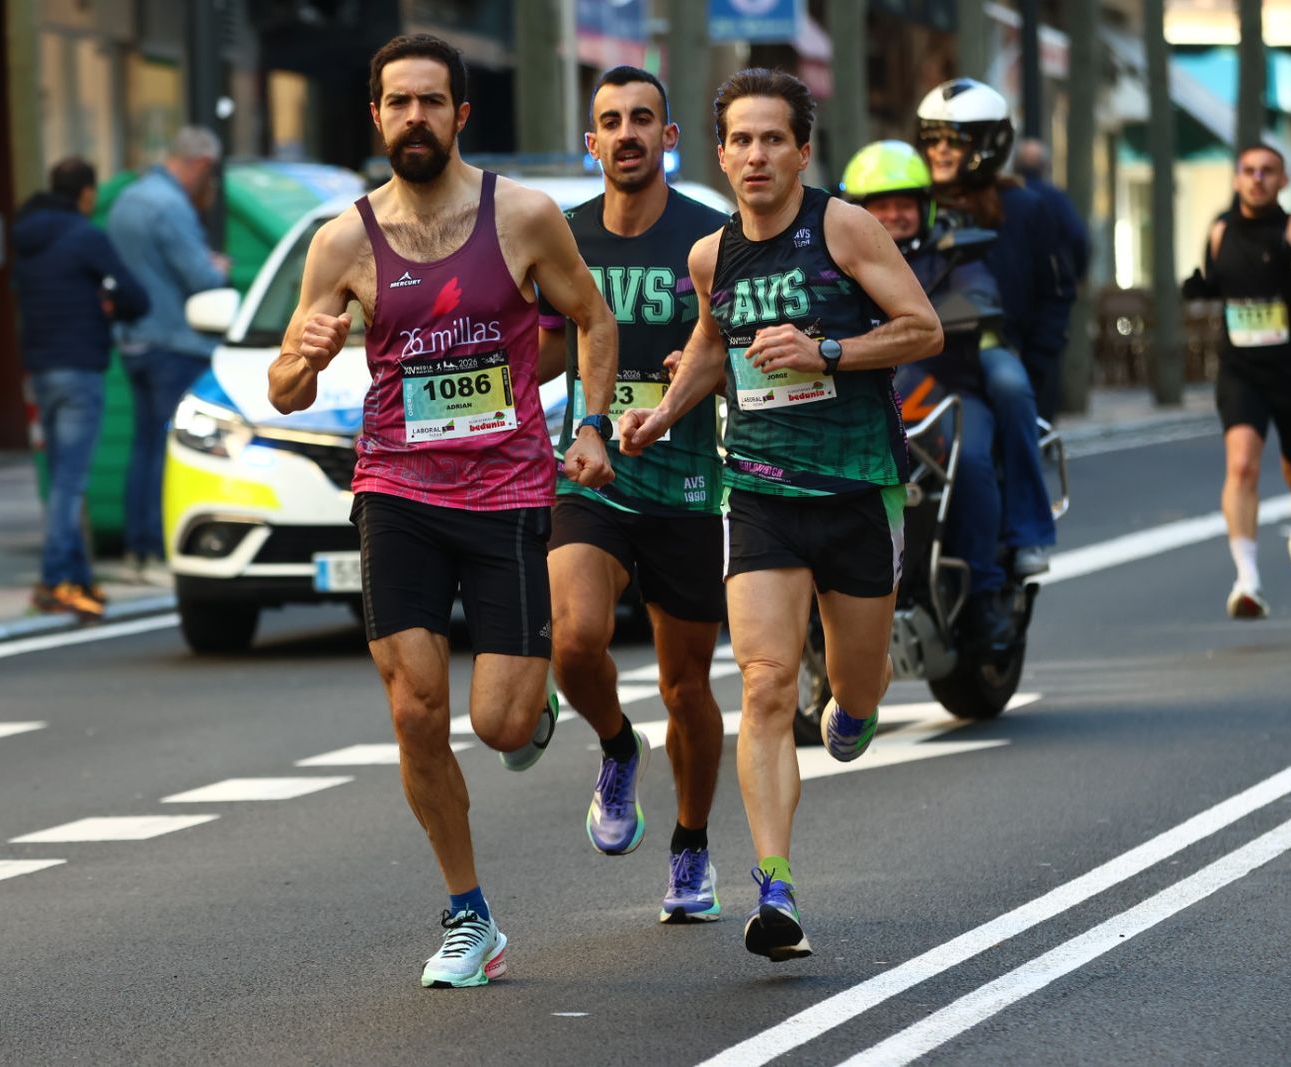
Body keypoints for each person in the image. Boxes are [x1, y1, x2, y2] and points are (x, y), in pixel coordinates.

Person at [266, 34, 617, 988]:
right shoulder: (342, 240)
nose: (413, 117)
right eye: (397, 102)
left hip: (507, 488)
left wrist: (591, 425)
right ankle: (471, 917)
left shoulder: (526, 216)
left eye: (431, 101)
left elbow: (591, 318)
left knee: (499, 725)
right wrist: (304, 351)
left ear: (461, 115)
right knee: (415, 709)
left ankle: (530, 696)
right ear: (374, 117)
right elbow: (288, 387)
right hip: (397, 490)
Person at [619, 69, 942, 962]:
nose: (756, 156)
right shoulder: (710, 256)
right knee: (763, 685)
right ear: (717, 153)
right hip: (758, 489)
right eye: (740, 141)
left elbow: (923, 328)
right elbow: (710, 350)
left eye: (773, 140)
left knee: (857, 687)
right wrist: (661, 413)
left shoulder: (842, 227)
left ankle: (856, 707)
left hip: (856, 490)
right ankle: (776, 887)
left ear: (803, 149)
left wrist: (829, 349)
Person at [535, 66, 729, 923]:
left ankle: (690, 846)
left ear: (669, 136)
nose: (626, 134)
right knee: (574, 641)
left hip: (686, 480)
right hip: (594, 469)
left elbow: (739, 350)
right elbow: (536, 350)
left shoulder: (712, 237)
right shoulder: (563, 238)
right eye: (609, 121)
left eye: (642, 119)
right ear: (591, 143)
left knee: (689, 686)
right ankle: (618, 743)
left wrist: (702, 374)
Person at [842, 140, 1012, 647]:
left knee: (974, 460)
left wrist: (963, 308)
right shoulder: (833, 260)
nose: (894, 216)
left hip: (943, 390)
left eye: (905, 205)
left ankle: (984, 596)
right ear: (859, 212)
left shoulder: (952, 251)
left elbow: (981, 291)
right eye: (881, 206)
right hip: (862, 396)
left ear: (926, 208)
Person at [1181, 144, 1291, 618]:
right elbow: (1225, 282)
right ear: (1237, 179)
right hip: (1242, 368)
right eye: (1249, 171)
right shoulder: (1221, 231)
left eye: (1268, 172)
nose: (1257, 179)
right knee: (1241, 465)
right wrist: (1201, 286)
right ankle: (1247, 580)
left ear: (1283, 181)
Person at [917, 78, 1061, 577]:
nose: (939, 150)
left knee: (1012, 388)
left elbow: (1055, 292)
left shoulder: (1026, 208)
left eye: (953, 139)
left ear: (989, 143)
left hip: (991, 346)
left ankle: (1029, 532)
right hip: (913, 348)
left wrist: (1038, 361)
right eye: (932, 138)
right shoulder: (909, 203)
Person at [14, 158, 151, 621]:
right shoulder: (85, 236)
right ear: (87, 195)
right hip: (79, 370)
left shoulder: (25, 235)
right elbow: (135, 296)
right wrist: (109, 303)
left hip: (38, 370)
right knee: (71, 484)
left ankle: (76, 575)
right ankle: (57, 581)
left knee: (60, 479)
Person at [107, 126, 231, 581]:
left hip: (134, 340)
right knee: (171, 451)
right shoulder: (172, 206)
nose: (210, 182)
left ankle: (136, 551)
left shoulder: (128, 200)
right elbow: (201, 279)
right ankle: (159, 550)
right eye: (210, 171)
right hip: (176, 342)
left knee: (142, 447)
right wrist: (217, 267)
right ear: (199, 163)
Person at [1013, 138, 1089, 286]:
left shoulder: (1002, 199)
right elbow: (1078, 237)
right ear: (1046, 166)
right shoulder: (1055, 198)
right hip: (1048, 283)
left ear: (1015, 165)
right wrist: (1079, 274)